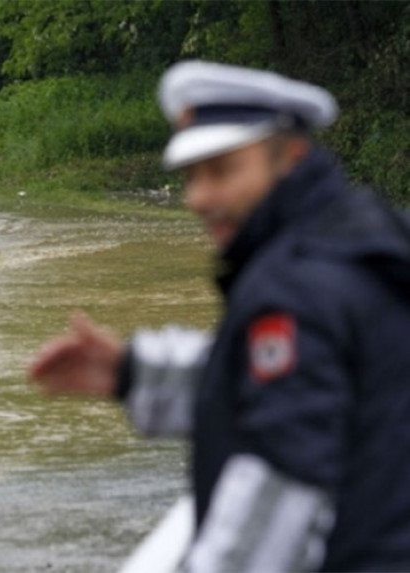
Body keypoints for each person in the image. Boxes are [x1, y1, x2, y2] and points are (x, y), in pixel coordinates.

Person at [29, 60, 410, 572]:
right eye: (191, 175)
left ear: (290, 156)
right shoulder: (361, 231)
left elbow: (275, 494)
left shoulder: (296, 287)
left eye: (222, 170)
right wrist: (132, 371)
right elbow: (317, 381)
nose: (197, 197)